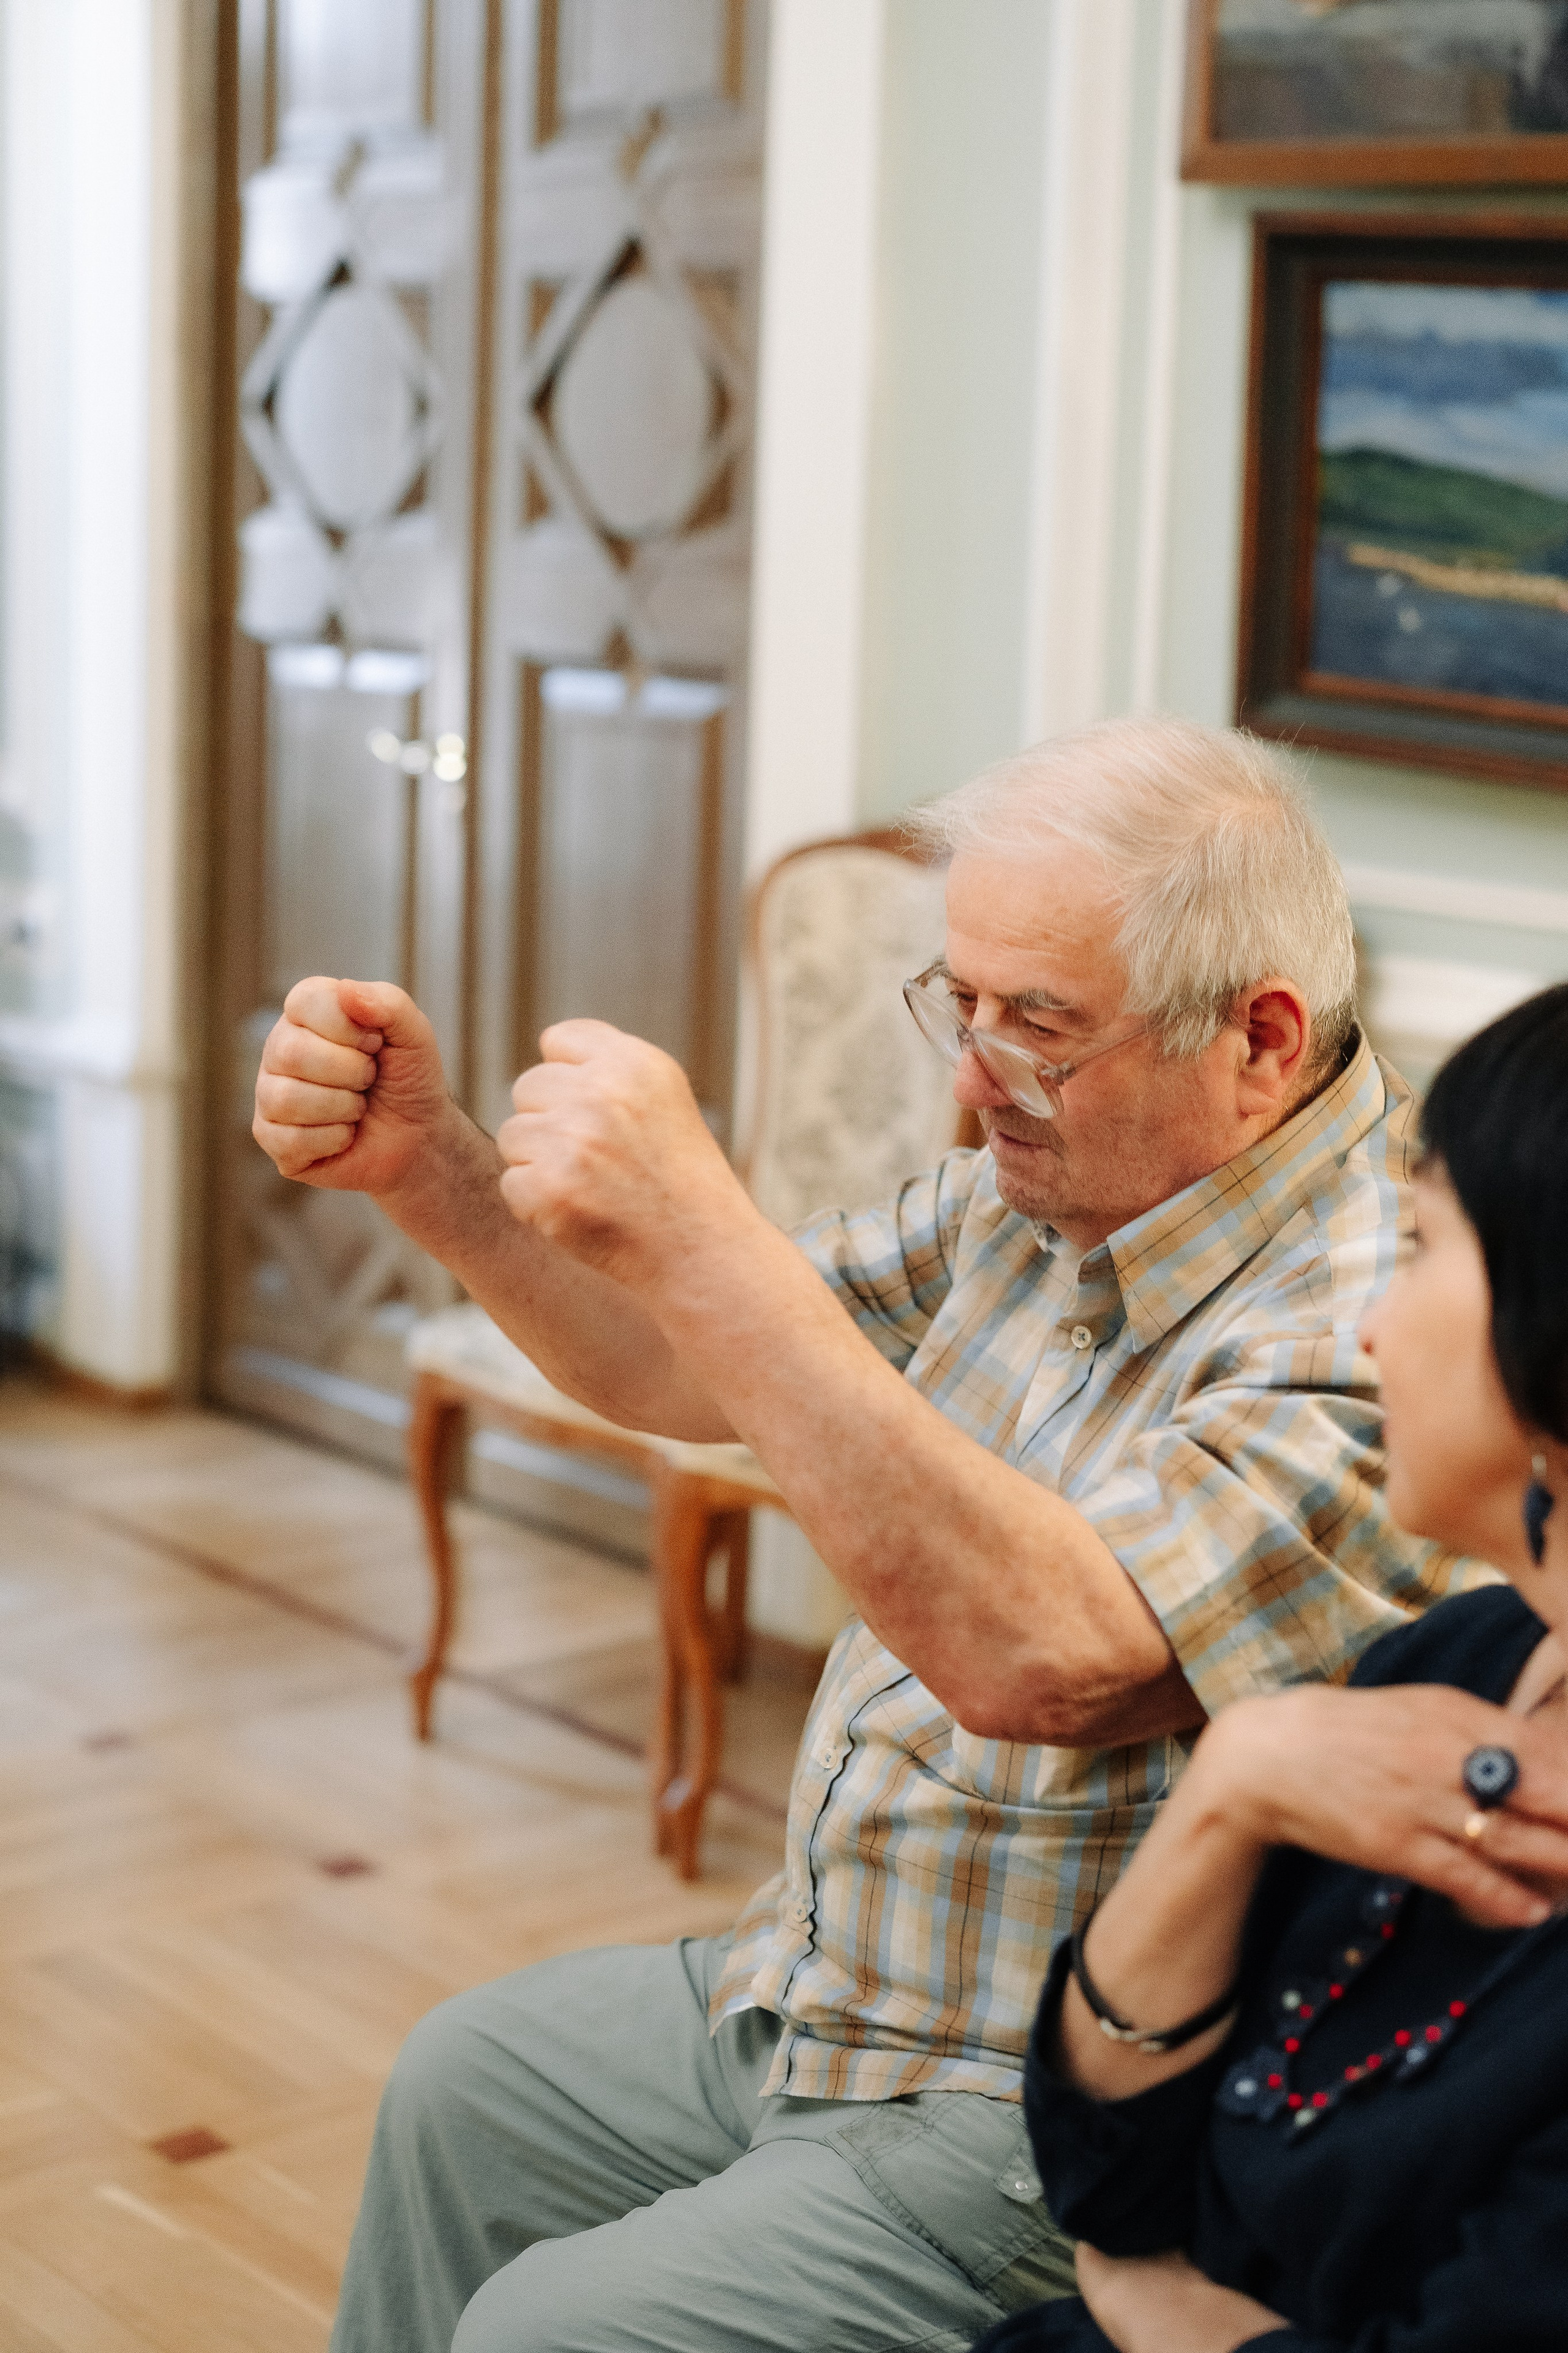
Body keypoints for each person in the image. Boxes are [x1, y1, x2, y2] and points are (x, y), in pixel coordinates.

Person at [252, 719, 1486, 2353]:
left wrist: (707, 1230)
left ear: (1259, 1039)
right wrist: (434, 1175)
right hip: (829, 1986)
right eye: (960, 1004)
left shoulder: (1377, 1318)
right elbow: (686, 1363)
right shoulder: (1044, 1183)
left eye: (1037, 1023)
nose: (974, 1077)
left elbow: (1051, 1656)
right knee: (463, 2082)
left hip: (1035, 2107)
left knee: (550, 2329)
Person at [978, 982, 1568, 2353]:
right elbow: (1102, 2174)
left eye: (1421, 1247)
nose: (1369, 1324)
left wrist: (1161, 2311)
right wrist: (1230, 1787)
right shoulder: (1458, 1660)